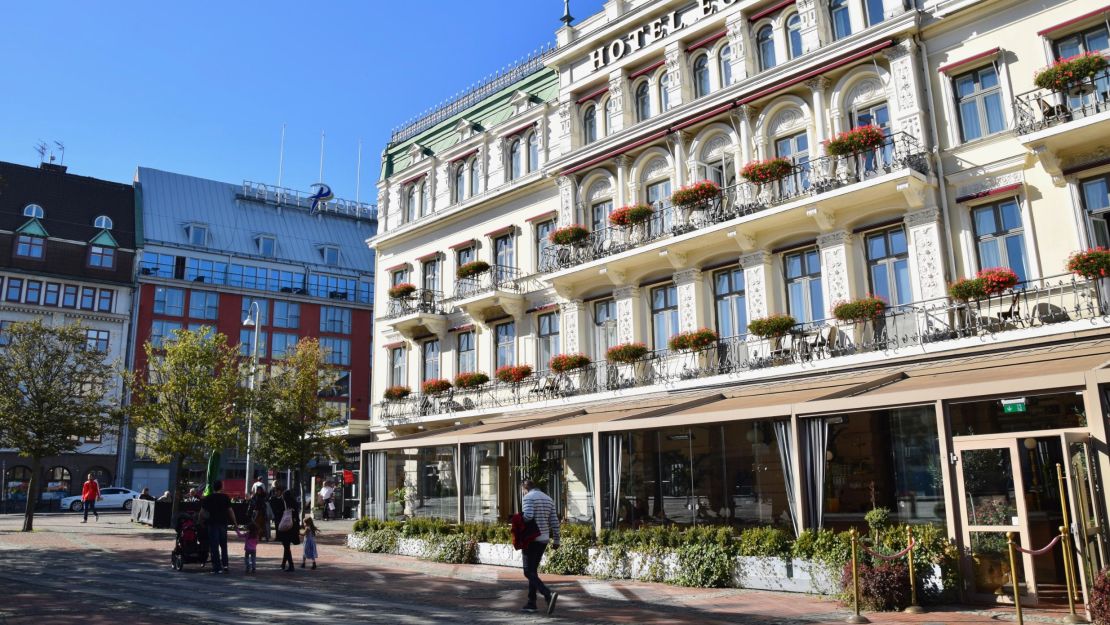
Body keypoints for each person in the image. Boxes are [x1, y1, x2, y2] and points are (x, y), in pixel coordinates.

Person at [520, 479, 560, 614]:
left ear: (525, 488)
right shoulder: (548, 498)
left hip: (531, 539)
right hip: (543, 539)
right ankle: (531, 602)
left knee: (527, 571)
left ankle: (547, 593)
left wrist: (516, 518)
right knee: (533, 571)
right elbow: (554, 520)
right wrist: (556, 540)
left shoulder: (528, 498)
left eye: (523, 491)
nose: (523, 493)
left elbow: (528, 516)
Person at [200, 479, 238, 574]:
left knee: (214, 546)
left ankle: (217, 567)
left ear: (213, 487)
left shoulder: (208, 498)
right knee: (223, 545)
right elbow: (230, 511)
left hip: (212, 523)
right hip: (223, 523)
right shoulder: (225, 497)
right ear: (221, 487)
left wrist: (200, 522)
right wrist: (235, 522)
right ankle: (225, 565)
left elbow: (202, 512)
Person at [271, 485, 300, 572]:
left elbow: (278, 514)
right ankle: (283, 564)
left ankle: (291, 565)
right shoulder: (294, 505)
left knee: (286, 546)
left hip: (285, 528)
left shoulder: (284, 505)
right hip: (292, 527)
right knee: (286, 546)